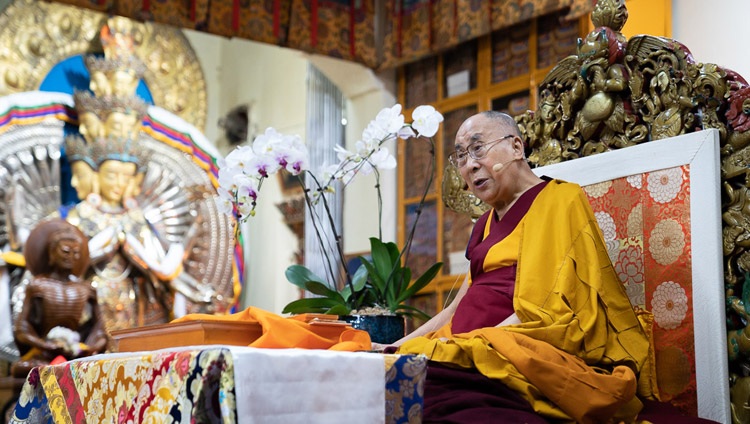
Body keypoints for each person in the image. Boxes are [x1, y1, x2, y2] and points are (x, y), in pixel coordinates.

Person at [383, 111, 655, 423]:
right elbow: (454, 310)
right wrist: (393, 347)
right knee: (389, 377)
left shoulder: (561, 201)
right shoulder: (483, 225)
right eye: (460, 156)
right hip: (463, 348)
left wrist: (473, 346)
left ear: (516, 147)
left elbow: (552, 307)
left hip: (514, 350)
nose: (469, 165)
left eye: (477, 148)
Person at [11, 219, 108, 377]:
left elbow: (100, 330)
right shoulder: (37, 285)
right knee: (25, 368)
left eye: (76, 253)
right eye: (65, 251)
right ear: (51, 253)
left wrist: (89, 347)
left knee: (98, 366)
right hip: (44, 353)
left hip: (78, 354)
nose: (71, 257)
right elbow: (22, 328)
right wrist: (45, 345)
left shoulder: (86, 289)